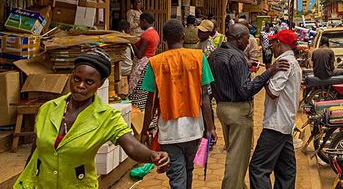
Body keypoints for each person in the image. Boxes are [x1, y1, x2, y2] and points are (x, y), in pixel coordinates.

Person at [14, 50, 170, 189]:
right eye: (76, 79)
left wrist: (152, 155)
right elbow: (36, 150)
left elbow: (131, 146)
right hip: (37, 184)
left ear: (100, 84)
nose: (80, 86)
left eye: (89, 82)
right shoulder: (47, 108)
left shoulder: (106, 117)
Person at [209, 24, 289, 189]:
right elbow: (246, 90)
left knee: (234, 153)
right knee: (237, 160)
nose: (249, 41)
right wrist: (269, 72)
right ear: (238, 38)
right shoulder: (236, 57)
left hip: (222, 109)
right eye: (247, 38)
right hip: (238, 111)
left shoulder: (215, 55)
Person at [140, 20, 216, 189]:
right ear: (183, 36)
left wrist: (145, 130)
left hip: (169, 133)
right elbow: (205, 96)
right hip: (194, 129)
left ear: (164, 39)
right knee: (188, 171)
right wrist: (210, 127)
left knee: (177, 178)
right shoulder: (198, 57)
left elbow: (150, 102)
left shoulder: (155, 62)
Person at [250, 30, 302, 189]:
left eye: (273, 43)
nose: (271, 46)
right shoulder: (292, 62)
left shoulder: (283, 63)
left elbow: (273, 92)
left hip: (276, 124)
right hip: (285, 123)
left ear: (280, 44)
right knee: (286, 170)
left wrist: (268, 73)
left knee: (258, 168)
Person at [129, 12, 161, 110]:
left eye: (140, 22)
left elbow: (139, 55)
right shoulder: (155, 33)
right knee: (145, 93)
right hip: (151, 63)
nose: (139, 24)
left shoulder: (146, 35)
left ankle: (138, 117)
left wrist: (131, 42)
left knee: (137, 94)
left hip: (143, 65)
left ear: (144, 21)